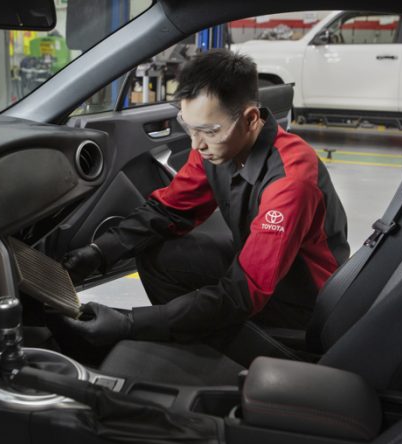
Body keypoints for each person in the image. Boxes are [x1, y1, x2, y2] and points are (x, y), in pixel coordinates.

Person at [62, 49, 349, 347]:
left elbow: (243, 292)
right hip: (260, 265)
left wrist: (133, 323)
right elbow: (170, 210)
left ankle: (215, 351)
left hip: (301, 299)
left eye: (208, 131)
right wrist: (100, 252)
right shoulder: (218, 146)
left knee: (218, 303)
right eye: (189, 128)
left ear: (251, 119)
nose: (196, 145)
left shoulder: (290, 181)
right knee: (158, 254)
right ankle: (192, 343)